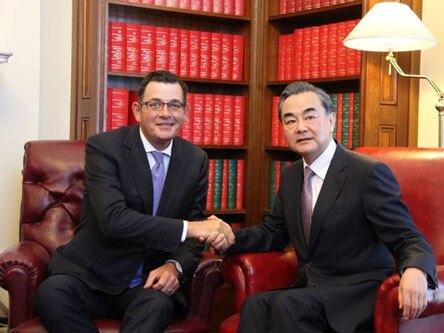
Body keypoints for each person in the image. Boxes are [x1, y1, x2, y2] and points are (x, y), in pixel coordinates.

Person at [213, 81, 437, 332]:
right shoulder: (291, 177)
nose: (301, 128)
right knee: (256, 305)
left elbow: (408, 237)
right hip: (311, 290)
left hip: (356, 292)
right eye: (290, 121)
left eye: (310, 117)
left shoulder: (366, 173)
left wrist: (416, 269)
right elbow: (273, 233)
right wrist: (228, 237)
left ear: (331, 121)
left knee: (289, 305)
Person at [34, 70, 234, 333]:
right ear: (138, 110)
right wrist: (192, 228)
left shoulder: (195, 159)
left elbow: (193, 239)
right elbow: (113, 220)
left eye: (175, 105)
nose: (166, 113)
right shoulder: (105, 148)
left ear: (185, 112)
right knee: (52, 295)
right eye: (155, 104)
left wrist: (174, 267)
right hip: (89, 275)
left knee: (158, 305)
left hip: (146, 282)